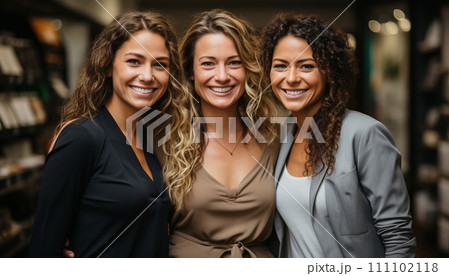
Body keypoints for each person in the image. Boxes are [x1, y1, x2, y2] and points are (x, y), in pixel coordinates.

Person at [29, 11, 187, 257]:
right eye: (134, 61)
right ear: (107, 66)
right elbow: (43, 249)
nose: (147, 76)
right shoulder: (81, 137)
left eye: (160, 65)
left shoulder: (151, 137)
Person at [260, 14, 416, 258]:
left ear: (329, 71)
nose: (290, 78)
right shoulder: (281, 136)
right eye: (280, 66)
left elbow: (398, 238)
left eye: (307, 66)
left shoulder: (365, 134)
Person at [163, 9, 281, 257]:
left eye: (234, 62)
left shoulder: (276, 139)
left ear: (248, 68)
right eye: (208, 63)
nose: (222, 76)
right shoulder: (164, 140)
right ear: (190, 71)